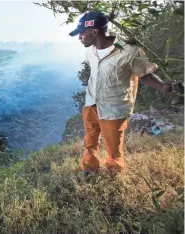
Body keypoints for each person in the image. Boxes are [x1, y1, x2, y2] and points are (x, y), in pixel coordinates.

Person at [68, 11, 181, 175]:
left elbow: (145, 74)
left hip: (113, 108)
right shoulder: (90, 52)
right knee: (90, 141)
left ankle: (114, 173)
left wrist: (164, 87)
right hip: (91, 103)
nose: (79, 38)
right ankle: (90, 169)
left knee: (113, 147)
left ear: (94, 31)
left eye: (81, 33)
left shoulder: (129, 51)